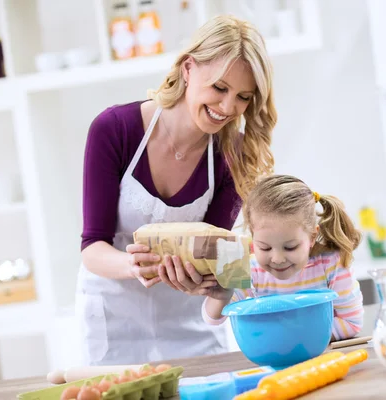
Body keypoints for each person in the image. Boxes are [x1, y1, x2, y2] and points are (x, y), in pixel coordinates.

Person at [76, 15, 277, 366]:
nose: (228, 108)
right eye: (219, 87)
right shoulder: (114, 130)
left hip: (192, 325)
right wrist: (135, 266)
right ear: (188, 69)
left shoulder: (235, 154)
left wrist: (219, 279)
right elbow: (92, 248)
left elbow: (220, 253)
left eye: (243, 97)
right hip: (115, 321)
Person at [202, 175, 364, 341]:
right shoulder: (249, 269)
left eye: (290, 247)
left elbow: (352, 322)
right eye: (264, 247)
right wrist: (221, 296)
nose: (277, 259)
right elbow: (212, 319)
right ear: (253, 236)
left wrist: (295, 337)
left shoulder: (331, 264)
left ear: (312, 237)